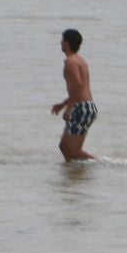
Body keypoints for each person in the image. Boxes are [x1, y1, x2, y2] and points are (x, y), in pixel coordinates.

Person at [50, 28, 97, 161]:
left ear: (67, 43)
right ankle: (74, 174)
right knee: (65, 147)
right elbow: (78, 88)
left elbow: (77, 86)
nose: (60, 43)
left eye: (62, 40)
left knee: (73, 150)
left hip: (81, 108)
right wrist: (62, 104)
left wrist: (68, 108)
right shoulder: (79, 60)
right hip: (85, 106)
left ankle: (100, 164)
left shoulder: (70, 62)